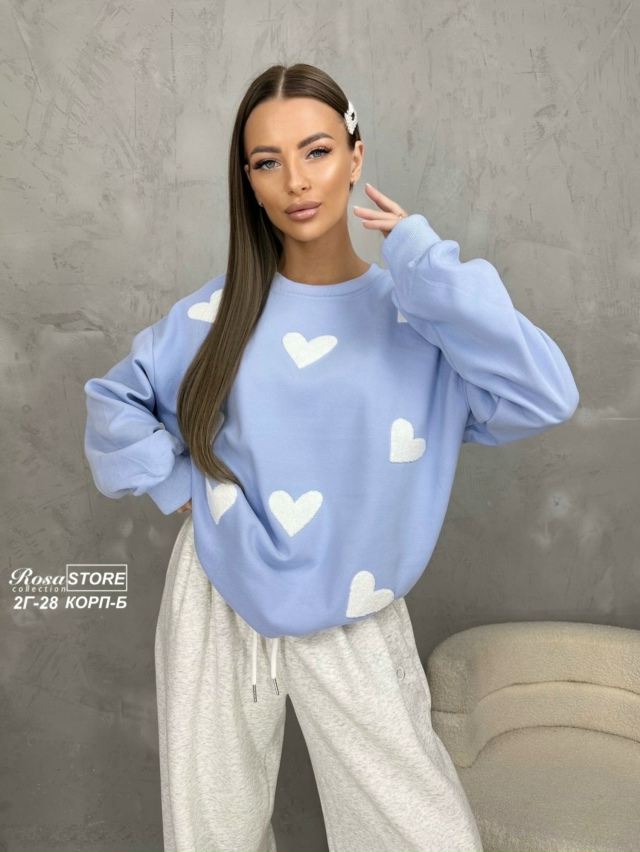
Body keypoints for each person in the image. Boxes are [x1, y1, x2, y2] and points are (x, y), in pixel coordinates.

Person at [83, 63, 579, 852]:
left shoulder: (416, 320)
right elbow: (114, 402)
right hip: (218, 594)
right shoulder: (218, 312)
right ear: (249, 183)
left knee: (421, 834)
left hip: (355, 601)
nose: (295, 181)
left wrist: (425, 264)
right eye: (267, 162)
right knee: (211, 835)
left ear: (355, 155)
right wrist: (180, 486)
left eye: (315, 151)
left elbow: (545, 393)